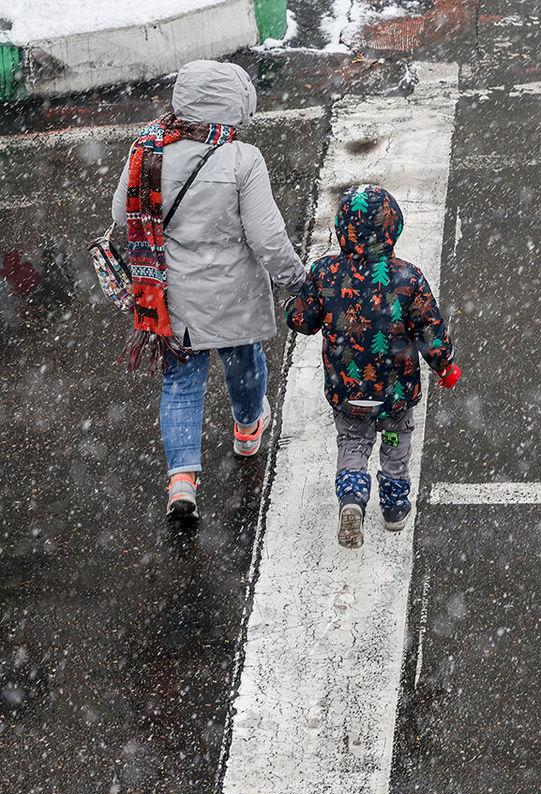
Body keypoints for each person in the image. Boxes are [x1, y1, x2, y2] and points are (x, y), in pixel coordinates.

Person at [110, 60, 306, 520]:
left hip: (172, 298)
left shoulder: (148, 149)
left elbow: (123, 215)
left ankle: (182, 481)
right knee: (243, 363)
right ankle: (246, 430)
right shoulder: (242, 158)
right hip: (233, 295)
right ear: (233, 105)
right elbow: (267, 238)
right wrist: (297, 279)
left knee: (180, 384)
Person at [286, 184, 460, 548]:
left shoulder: (325, 272)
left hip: (347, 391)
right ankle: (394, 508)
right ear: (393, 227)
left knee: (352, 442)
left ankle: (351, 499)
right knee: (396, 444)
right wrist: (445, 366)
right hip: (394, 395)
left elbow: (303, 321)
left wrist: (293, 308)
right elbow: (430, 331)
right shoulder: (408, 278)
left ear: (341, 227)